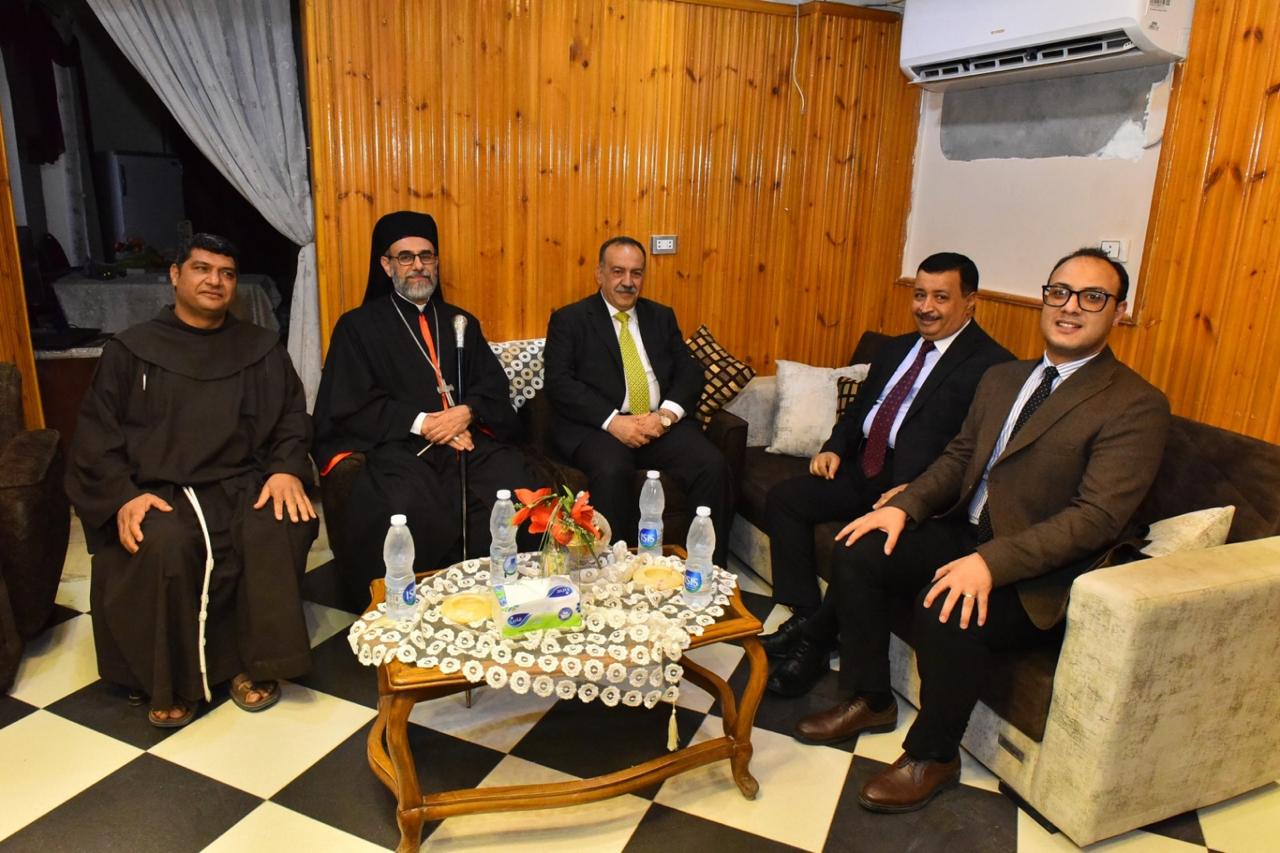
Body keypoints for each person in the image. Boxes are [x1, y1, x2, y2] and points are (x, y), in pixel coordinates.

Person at [796, 248, 1170, 814]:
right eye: (1060, 292)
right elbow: (959, 457)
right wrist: (906, 506)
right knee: (861, 547)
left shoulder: (1135, 404)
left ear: (1119, 312)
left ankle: (933, 756)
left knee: (946, 606)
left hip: (1038, 569)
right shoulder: (1005, 378)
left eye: (1092, 297)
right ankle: (870, 698)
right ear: (1045, 299)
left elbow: (1096, 517)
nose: (1070, 307)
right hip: (965, 531)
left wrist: (992, 563)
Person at [66, 233, 316, 729]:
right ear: (176, 275)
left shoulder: (261, 348)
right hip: (156, 490)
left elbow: (292, 416)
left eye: (226, 273)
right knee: (164, 542)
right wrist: (122, 497)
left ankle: (253, 664)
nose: (214, 281)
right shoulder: (131, 350)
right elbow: (96, 436)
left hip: (243, 481)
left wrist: (286, 468)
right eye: (202, 269)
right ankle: (169, 680)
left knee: (275, 526)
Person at [764, 253, 1013, 696]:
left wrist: (918, 491)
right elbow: (860, 409)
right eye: (919, 295)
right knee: (785, 499)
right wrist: (834, 447)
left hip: (914, 491)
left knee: (858, 547)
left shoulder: (993, 367)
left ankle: (812, 646)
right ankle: (804, 614)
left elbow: (975, 451)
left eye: (941, 297)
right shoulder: (896, 349)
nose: (926, 308)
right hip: (864, 468)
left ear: (970, 302)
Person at [313, 211, 539, 605]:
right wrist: (424, 423)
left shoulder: (461, 322)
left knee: (518, 488)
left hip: (469, 439)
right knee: (406, 507)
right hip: (403, 446)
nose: (418, 265)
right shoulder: (357, 327)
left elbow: (491, 386)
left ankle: (517, 597)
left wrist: (466, 412)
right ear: (386, 265)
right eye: (406, 257)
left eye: (426, 256)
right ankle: (424, 608)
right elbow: (351, 401)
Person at [543, 236, 732, 564]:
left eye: (636, 273)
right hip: (600, 427)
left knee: (712, 465)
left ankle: (705, 568)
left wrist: (666, 416)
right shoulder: (570, 320)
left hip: (658, 422)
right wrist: (613, 421)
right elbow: (559, 383)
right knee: (612, 469)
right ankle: (615, 570)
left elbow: (690, 372)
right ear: (600, 274)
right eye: (618, 271)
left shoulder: (661, 316)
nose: (628, 282)